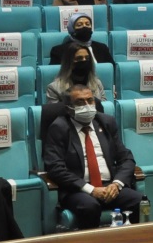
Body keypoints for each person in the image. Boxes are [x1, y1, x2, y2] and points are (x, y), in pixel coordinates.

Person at [42, 84, 143, 229]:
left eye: (90, 101)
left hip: (109, 186)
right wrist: (91, 189)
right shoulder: (59, 128)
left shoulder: (106, 122)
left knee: (139, 200)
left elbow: (126, 157)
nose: (87, 106)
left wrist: (117, 184)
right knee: (90, 206)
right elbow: (55, 168)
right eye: (80, 102)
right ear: (68, 108)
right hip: (79, 190)